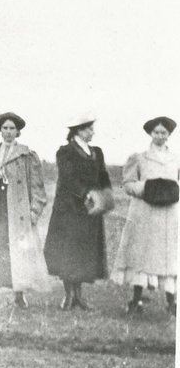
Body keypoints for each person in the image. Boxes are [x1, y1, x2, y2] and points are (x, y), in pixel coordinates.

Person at [0, 112, 48, 307]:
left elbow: (38, 188)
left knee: (18, 251)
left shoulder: (26, 156)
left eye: (12, 128)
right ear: (0, 130)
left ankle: (19, 294)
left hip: (17, 212)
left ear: (17, 131)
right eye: (5, 128)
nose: (8, 132)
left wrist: (33, 212)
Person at [112, 116, 179, 315]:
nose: (160, 136)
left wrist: (171, 190)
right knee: (142, 257)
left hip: (168, 214)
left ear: (169, 135)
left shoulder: (175, 159)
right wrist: (149, 188)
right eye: (156, 132)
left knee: (168, 256)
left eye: (163, 133)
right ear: (151, 134)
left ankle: (172, 301)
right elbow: (128, 184)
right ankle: (136, 299)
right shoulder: (139, 158)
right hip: (145, 213)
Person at [44, 115, 112, 310]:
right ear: (79, 130)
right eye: (89, 129)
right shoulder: (65, 151)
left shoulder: (96, 152)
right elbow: (68, 178)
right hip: (69, 209)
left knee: (84, 251)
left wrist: (106, 195)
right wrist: (87, 193)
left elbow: (103, 175)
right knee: (69, 251)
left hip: (90, 209)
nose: (92, 132)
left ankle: (79, 296)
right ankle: (69, 295)